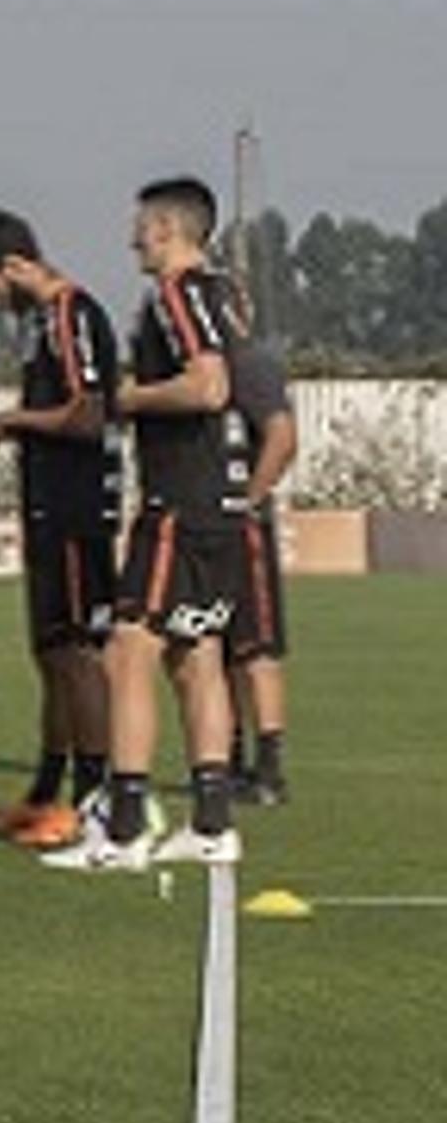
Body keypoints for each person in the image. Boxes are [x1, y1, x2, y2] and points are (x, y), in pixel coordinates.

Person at [45, 178, 254, 872]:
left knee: (126, 650)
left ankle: (125, 826)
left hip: (182, 502)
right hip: (223, 499)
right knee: (197, 655)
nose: (132, 239)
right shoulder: (229, 295)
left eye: (141, 227)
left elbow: (209, 385)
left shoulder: (178, 294)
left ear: (167, 230)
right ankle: (213, 821)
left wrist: (130, 397)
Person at [0, 212, 122, 849]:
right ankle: (46, 789)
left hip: (78, 506)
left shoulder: (69, 313)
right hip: (48, 505)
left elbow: (87, 413)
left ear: (15, 266)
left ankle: (95, 799)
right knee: (51, 651)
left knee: (79, 650)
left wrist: (9, 422)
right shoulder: (35, 324)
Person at [223, 301, 297, 807]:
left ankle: (269, 768)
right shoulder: (206, 366)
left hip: (242, 526)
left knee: (255, 646)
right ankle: (226, 760)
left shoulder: (249, 365)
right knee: (214, 645)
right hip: (205, 526)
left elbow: (282, 436)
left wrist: (250, 498)